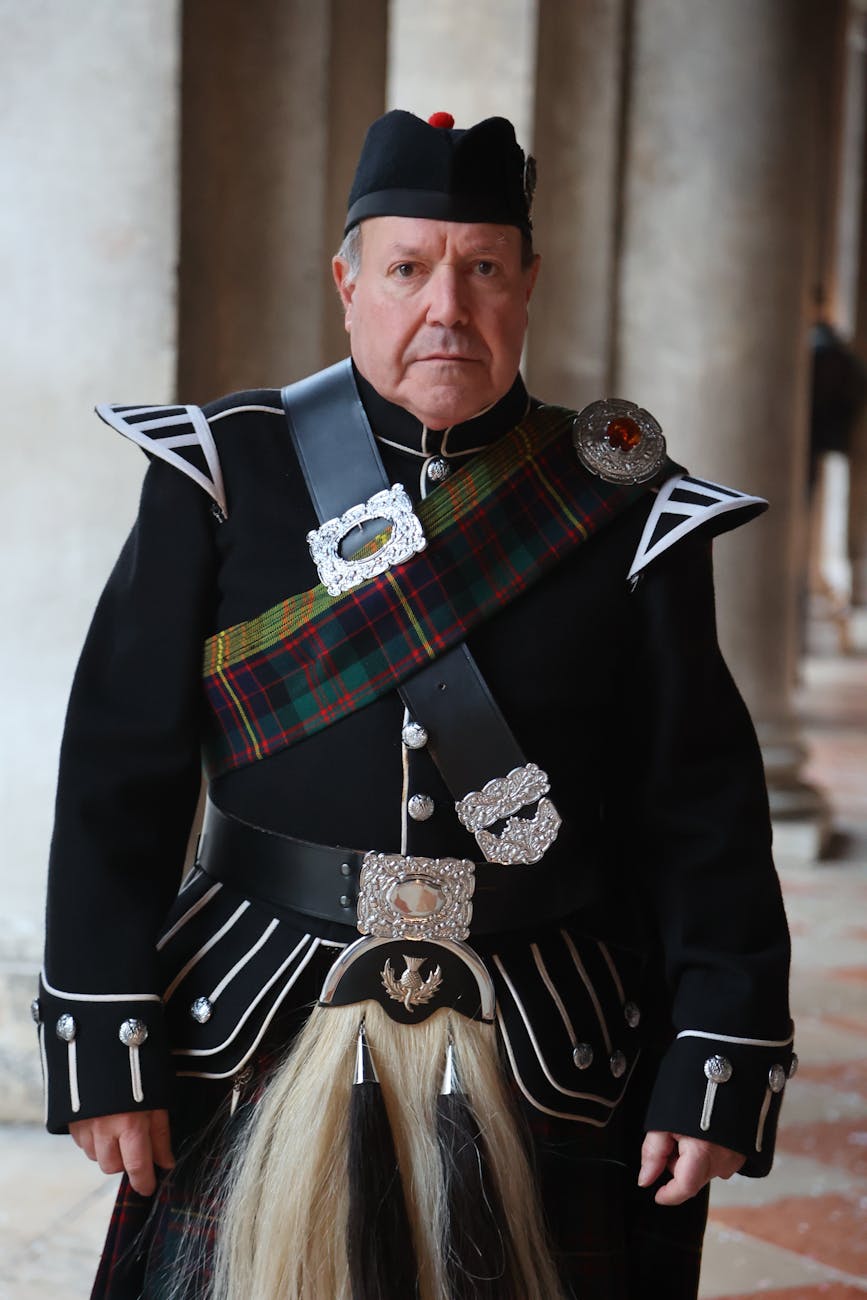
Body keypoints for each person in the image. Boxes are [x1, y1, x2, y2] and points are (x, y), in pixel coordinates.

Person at [36, 110, 795, 1300]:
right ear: (349, 285)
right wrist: (105, 1037)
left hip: (547, 1033)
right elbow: (116, 776)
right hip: (255, 1018)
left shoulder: (626, 503)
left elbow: (696, 805)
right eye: (408, 268)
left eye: (484, 268)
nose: (448, 304)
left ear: (528, 284)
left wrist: (719, 1044)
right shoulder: (226, 471)